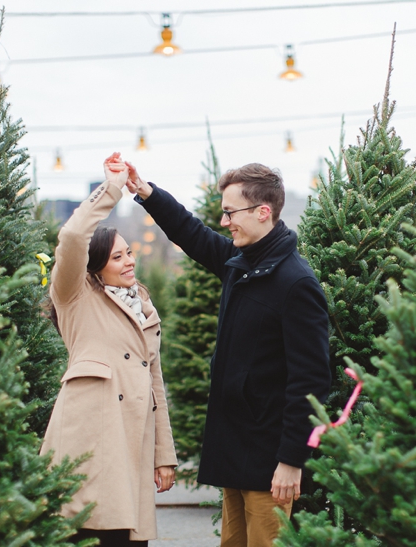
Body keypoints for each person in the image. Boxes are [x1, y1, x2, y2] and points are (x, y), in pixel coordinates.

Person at [125, 162, 331, 547]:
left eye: (230, 212)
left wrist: (291, 460)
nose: (223, 221)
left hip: (269, 461)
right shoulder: (241, 264)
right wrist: (148, 193)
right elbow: (192, 232)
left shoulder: (295, 282)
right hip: (236, 450)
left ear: (263, 212)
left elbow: (312, 381)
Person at [40, 153, 177, 547]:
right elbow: (71, 238)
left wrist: (163, 455)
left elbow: (156, 384)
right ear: (96, 265)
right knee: (89, 535)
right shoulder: (74, 295)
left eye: (129, 252)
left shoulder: (143, 306)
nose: (130, 261)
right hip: (88, 444)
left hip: (130, 443)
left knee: (129, 539)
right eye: (117, 256)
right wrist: (113, 187)